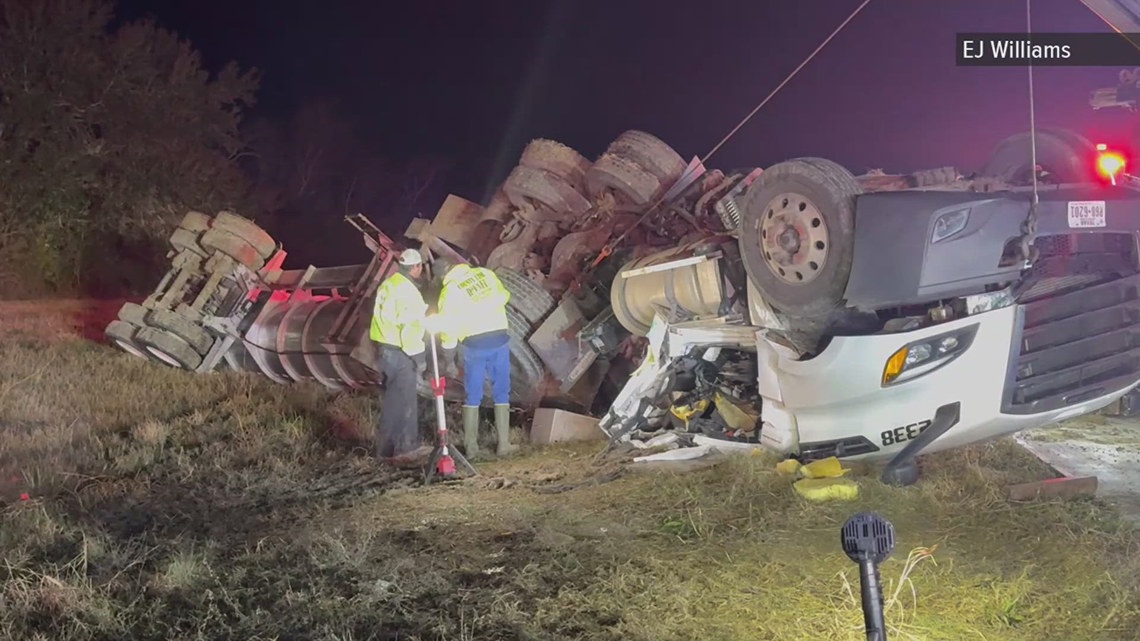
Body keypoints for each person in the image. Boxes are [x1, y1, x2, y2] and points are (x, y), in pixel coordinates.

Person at [434, 257, 518, 458]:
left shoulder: (450, 291)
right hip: (499, 340)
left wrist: (449, 359)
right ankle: (504, 444)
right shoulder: (485, 273)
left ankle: (472, 449)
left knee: (473, 395)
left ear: (443, 276)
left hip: (474, 345)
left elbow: (447, 329)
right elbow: (504, 296)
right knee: (502, 392)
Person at [370, 247, 432, 465]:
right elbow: (409, 329)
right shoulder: (409, 292)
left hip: (384, 348)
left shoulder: (389, 284)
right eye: (420, 267)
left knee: (392, 401)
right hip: (401, 350)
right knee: (405, 399)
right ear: (415, 268)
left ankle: (387, 450)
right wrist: (420, 358)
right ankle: (406, 448)